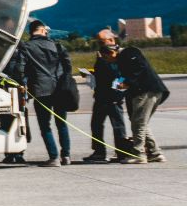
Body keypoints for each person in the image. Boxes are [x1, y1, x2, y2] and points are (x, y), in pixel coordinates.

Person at [10, 19, 73, 165]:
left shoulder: (27, 47)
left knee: (45, 125)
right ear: (43, 30)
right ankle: (66, 155)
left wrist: (23, 84)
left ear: (31, 32)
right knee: (62, 123)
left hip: (40, 90)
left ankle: (54, 157)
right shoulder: (57, 46)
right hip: (60, 89)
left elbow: (20, 69)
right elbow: (67, 66)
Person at [116, 39, 172, 164]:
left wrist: (126, 83)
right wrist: (117, 86)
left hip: (146, 91)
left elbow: (138, 68)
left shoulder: (129, 52)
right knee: (141, 123)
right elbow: (122, 78)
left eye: (106, 57)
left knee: (138, 123)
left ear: (112, 52)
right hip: (147, 92)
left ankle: (138, 153)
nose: (108, 61)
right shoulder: (120, 60)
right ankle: (155, 153)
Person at [83, 29, 131, 162]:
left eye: (101, 41)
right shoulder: (102, 55)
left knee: (118, 125)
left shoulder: (119, 55)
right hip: (100, 96)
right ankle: (99, 151)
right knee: (96, 124)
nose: (100, 44)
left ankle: (122, 152)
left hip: (113, 97)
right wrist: (91, 74)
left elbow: (120, 75)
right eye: (98, 42)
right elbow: (103, 74)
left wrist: (117, 91)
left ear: (111, 40)